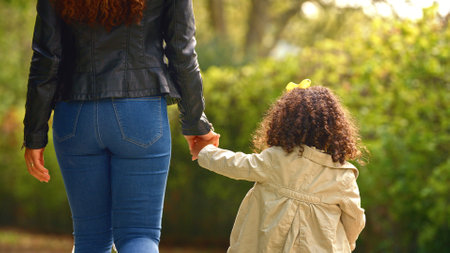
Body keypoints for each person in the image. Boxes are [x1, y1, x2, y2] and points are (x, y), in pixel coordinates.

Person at [22, 0, 218, 252]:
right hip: (141, 115)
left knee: (89, 240)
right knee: (139, 236)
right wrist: (195, 122)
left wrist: (34, 135)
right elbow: (182, 52)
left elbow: (46, 58)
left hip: (75, 117)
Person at [190, 81, 366, 252]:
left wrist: (205, 152)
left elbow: (236, 164)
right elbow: (355, 219)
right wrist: (346, 244)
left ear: (285, 123)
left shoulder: (278, 159)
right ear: (335, 128)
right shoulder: (342, 175)